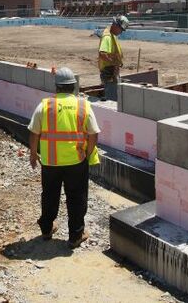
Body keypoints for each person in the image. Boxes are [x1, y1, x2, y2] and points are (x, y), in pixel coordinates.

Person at [27, 67, 100, 249]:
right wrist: (88, 153)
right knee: (76, 197)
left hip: (51, 162)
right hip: (76, 161)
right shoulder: (83, 105)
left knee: (49, 195)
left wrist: (33, 154)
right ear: (74, 86)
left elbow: (34, 131)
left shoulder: (45, 105)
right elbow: (93, 133)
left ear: (57, 87)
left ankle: (46, 229)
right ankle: (75, 236)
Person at [98, 15, 129, 101]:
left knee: (113, 94)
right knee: (111, 97)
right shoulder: (107, 37)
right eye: (121, 30)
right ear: (116, 25)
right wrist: (114, 62)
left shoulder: (112, 34)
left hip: (112, 71)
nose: (121, 32)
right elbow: (102, 54)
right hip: (109, 72)